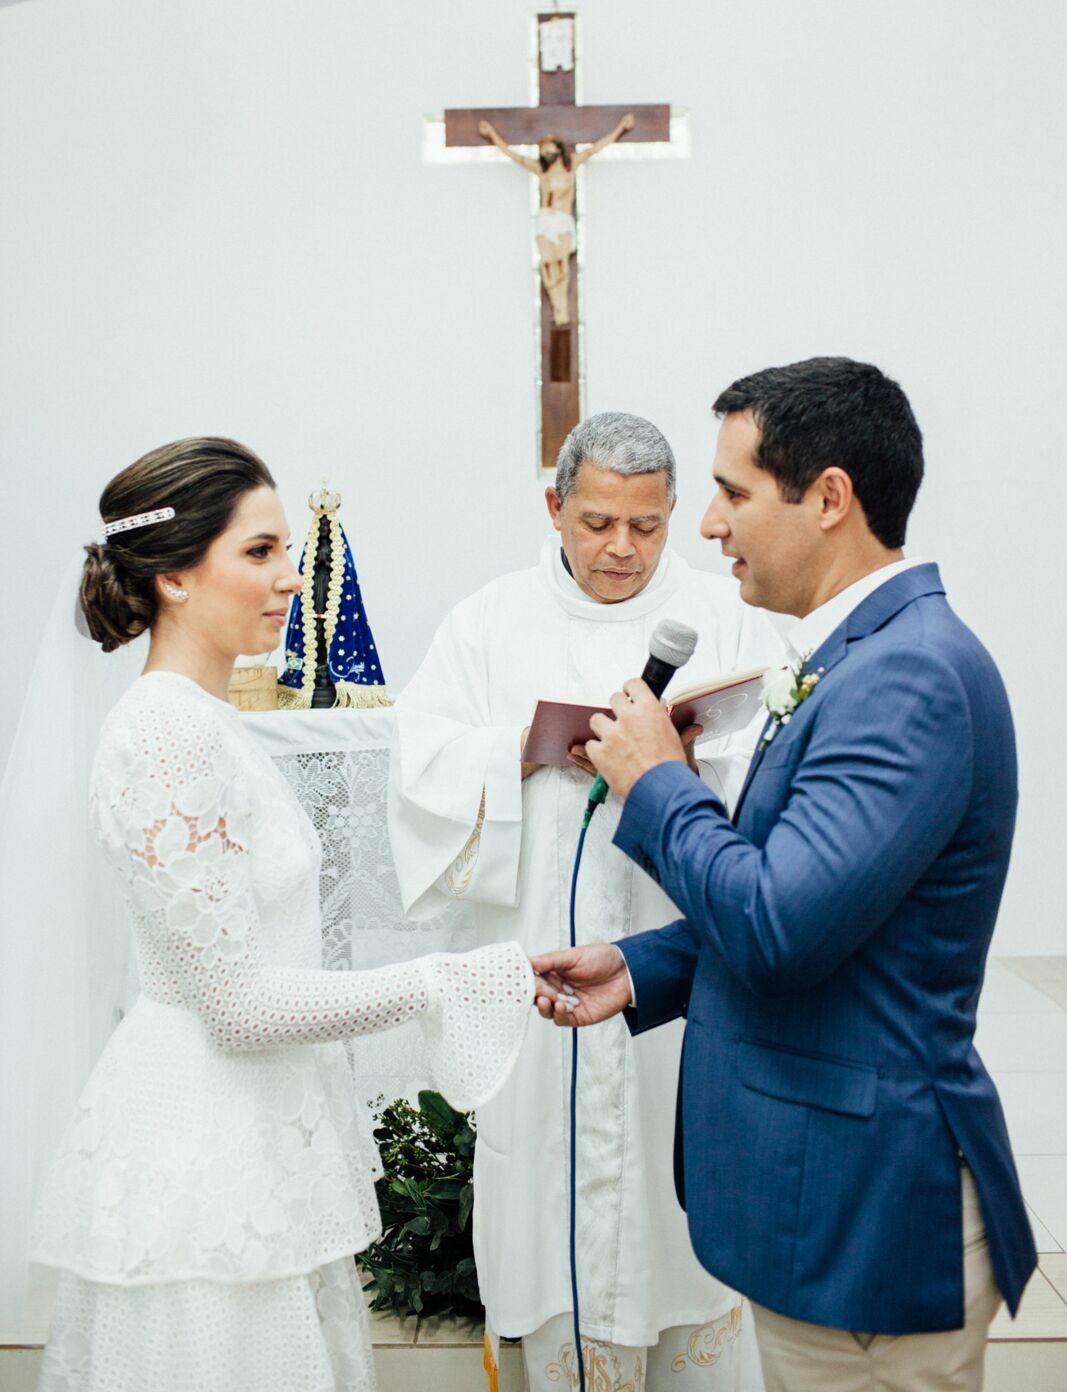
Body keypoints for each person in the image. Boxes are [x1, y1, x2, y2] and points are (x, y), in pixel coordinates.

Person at [534, 359, 1037, 1392]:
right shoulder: (857, 655)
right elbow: (820, 899)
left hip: (866, 1210)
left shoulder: (905, 675)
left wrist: (656, 785)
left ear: (828, 498)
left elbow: (779, 926)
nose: (709, 526)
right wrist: (642, 969)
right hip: (824, 1199)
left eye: (730, 492)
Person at [29, 437, 534, 1392]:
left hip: (255, 1133)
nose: (292, 580)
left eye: (287, 552)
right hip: (205, 1157)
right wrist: (438, 981)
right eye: (259, 553)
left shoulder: (208, 720)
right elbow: (240, 1007)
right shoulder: (169, 731)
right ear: (175, 576)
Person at [388, 412, 783, 1392]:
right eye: (597, 520)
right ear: (554, 505)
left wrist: (679, 764)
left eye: (645, 525)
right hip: (542, 976)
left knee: (669, 1209)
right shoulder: (487, 621)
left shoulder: (724, 616)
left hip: (671, 977)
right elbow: (419, 767)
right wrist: (520, 751)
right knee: (546, 1203)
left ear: (672, 516)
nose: (620, 547)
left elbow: (774, 770)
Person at [478, 114, 634, 324]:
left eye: (548, 148)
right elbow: (514, 155)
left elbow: (595, 148)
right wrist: (492, 135)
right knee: (547, 264)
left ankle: (563, 308)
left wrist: (620, 129)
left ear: (559, 149)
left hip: (562, 220)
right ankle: (557, 306)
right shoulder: (541, 170)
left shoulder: (572, 166)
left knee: (561, 264)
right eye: (543, 150)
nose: (545, 152)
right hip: (545, 221)